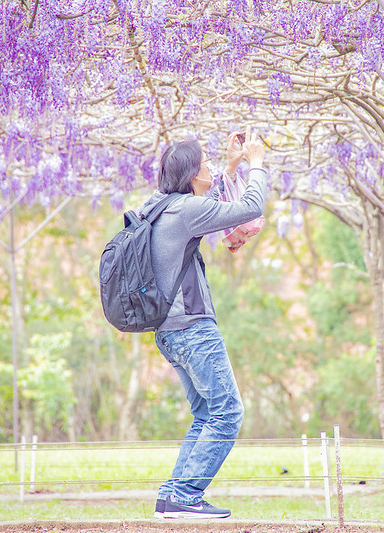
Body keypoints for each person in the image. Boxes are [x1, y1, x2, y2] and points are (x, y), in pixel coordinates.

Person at [141, 128, 267, 519]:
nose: (210, 164)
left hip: (169, 330)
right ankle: (185, 495)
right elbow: (249, 207)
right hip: (193, 328)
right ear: (192, 174)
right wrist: (256, 164)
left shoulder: (161, 206)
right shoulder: (185, 210)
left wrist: (230, 166)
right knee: (228, 412)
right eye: (206, 162)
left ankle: (173, 496)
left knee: (207, 413)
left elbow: (204, 209)